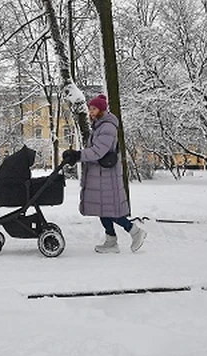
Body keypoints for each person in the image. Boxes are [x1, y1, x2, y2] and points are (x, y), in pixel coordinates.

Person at [63, 94, 147, 253]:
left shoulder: (107, 127)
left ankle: (135, 232)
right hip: (100, 175)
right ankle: (111, 241)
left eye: (93, 108)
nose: (91, 111)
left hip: (106, 177)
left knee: (111, 210)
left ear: (101, 109)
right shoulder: (99, 126)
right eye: (90, 108)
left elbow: (98, 151)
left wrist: (78, 155)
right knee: (102, 209)